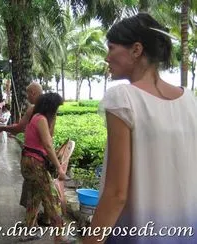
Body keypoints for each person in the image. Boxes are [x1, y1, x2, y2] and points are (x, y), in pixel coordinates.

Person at [83, 13, 197, 244]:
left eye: (112, 48)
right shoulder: (189, 100)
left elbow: (116, 194)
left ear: (136, 50)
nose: (106, 57)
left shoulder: (123, 98)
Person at [20, 92, 67, 241]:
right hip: (36, 163)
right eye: (56, 108)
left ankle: (28, 231)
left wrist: (53, 119)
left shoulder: (37, 117)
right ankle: (60, 236)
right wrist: (59, 167)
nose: (57, 111)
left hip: (28, 161)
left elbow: (48, 138)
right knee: (52, 199)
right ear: (51, 107)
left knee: (34, 198)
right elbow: (48, 144)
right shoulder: (40, 119)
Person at [0, 82, 43, 208]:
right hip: (43, 155)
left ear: (33, 93)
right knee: (41, 189)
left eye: (28, 94)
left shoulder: (33, 109)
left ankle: (42, 220)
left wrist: (3, 128)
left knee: (33, 189)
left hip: (32, 156)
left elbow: (19, 128)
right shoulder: (50, 109)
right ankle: (40, 219)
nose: (27, 97)